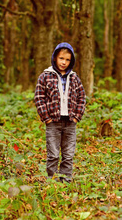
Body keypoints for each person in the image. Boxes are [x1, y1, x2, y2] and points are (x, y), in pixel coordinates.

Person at [34, 42, 86, 183]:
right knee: (53, 154)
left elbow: (82, 97)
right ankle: (52, 181)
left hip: (70, 122)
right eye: (61, 58)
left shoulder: (74, 78)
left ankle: (66, 182)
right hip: (53, 122)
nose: (64, 62)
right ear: (55, 58)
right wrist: (47, 118)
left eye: (68, 60)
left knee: (68, 155)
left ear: (72, 61)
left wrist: (76, 117)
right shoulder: (45, 76)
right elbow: (39, 98)